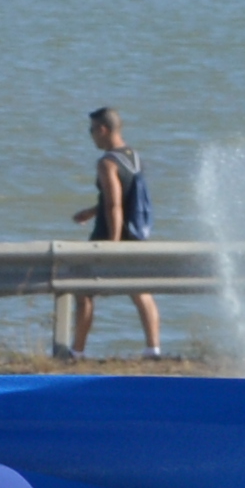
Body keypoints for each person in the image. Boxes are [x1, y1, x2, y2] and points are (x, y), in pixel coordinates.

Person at [76, 104, 167, 357]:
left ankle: (77, 352)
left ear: (103, 129)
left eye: (92, 130)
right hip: (136, 235)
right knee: (141, 292)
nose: (91, 135)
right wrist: (92, 211)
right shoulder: (134, 156)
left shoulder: (107, 162)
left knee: (82, 291)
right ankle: (153, 349)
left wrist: (112, 245)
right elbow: (124, 196)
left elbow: (115, 205)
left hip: (111, 235)